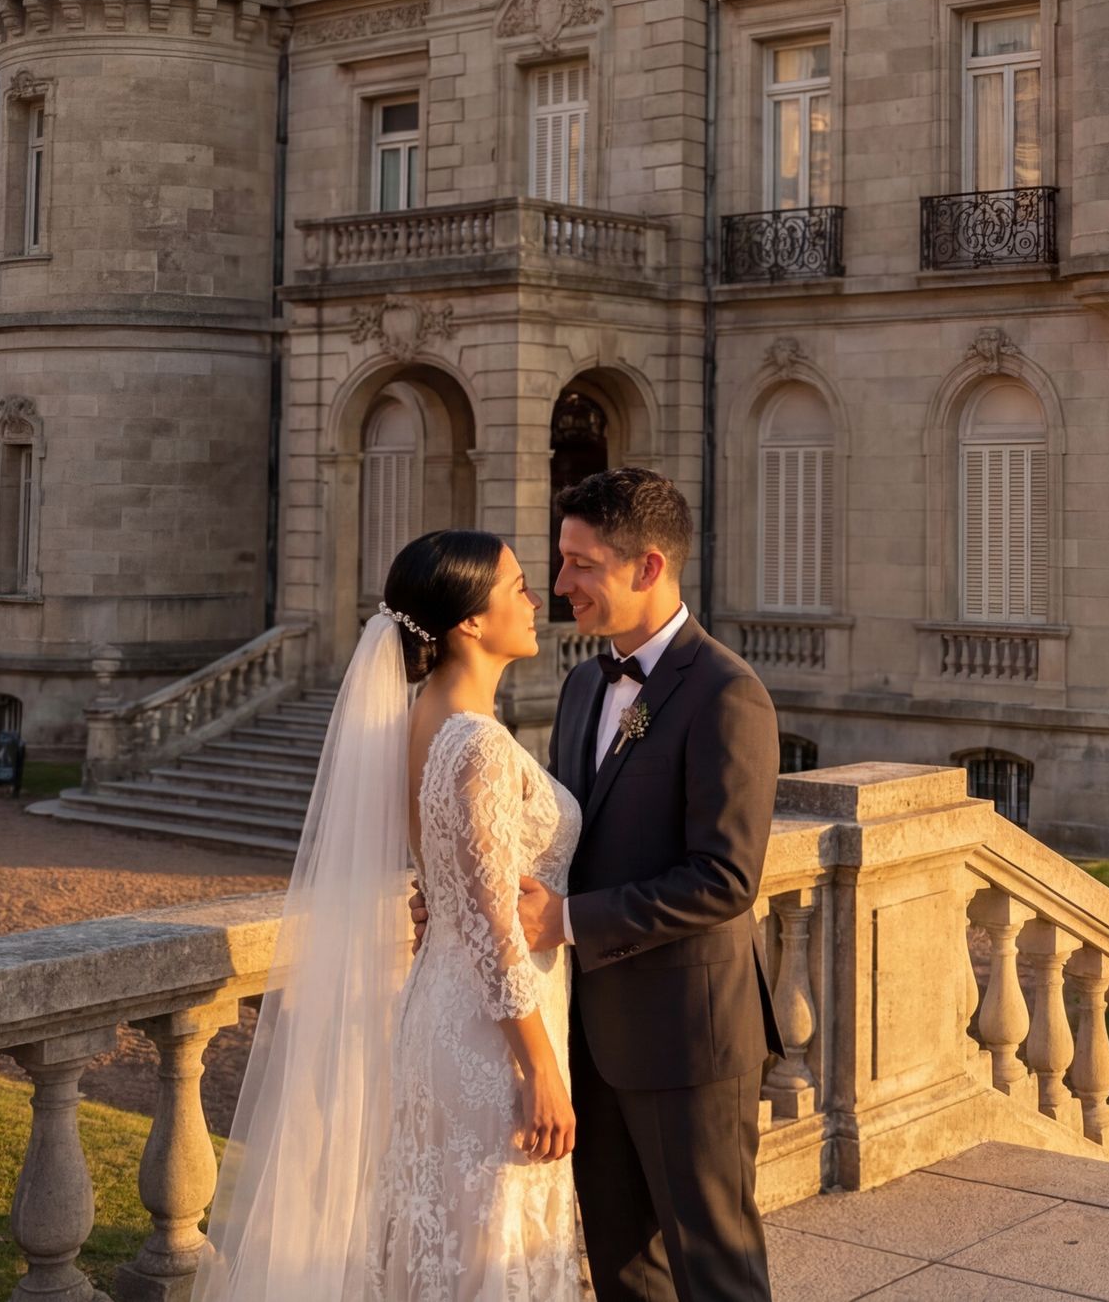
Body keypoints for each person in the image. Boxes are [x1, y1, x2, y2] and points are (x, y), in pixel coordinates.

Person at [194, 530, 586, 1300]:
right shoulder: (476, 744)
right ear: (470, 620)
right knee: (489, 1250)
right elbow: (493, 932)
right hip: (493, 1037)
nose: (535, 600)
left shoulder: (421, 723)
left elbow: (453, 888)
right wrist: (541, 1067)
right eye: (517, 586)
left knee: (447, 1243)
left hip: (447, 1011)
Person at [518, 468, 781, 1302]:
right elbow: (563, 837)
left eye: (581, 563)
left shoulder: (728, 693)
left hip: (688, 1040)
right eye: (562, 558)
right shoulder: (581, 685)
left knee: (717, 1276)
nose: (561, 581)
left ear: (649, 566)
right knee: (625, 1273)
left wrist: (567, 920)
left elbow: (725, 876)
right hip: (591, 1037)